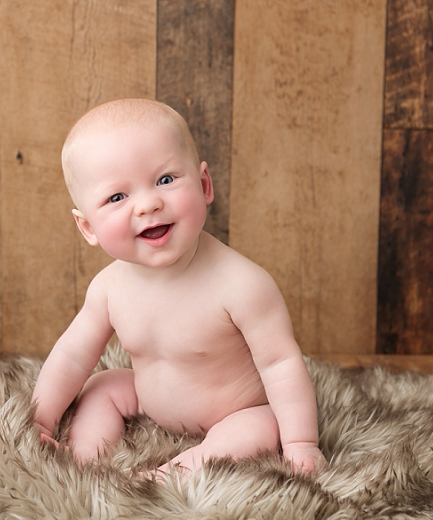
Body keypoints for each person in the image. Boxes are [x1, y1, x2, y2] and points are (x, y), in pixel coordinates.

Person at [32, 98, 325, 477]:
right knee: (102, 385)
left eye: (165, 180)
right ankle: (86, 462)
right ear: (88, 227)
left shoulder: (242, 284)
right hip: (148, 398)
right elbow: (72, 356)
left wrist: (302, 444)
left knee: (261, 428)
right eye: (117, 197)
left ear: (204, 185)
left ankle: (170, 475)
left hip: (235, 412)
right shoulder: (108, 288)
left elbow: (280, 363)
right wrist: (40, 420)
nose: (148, 205)